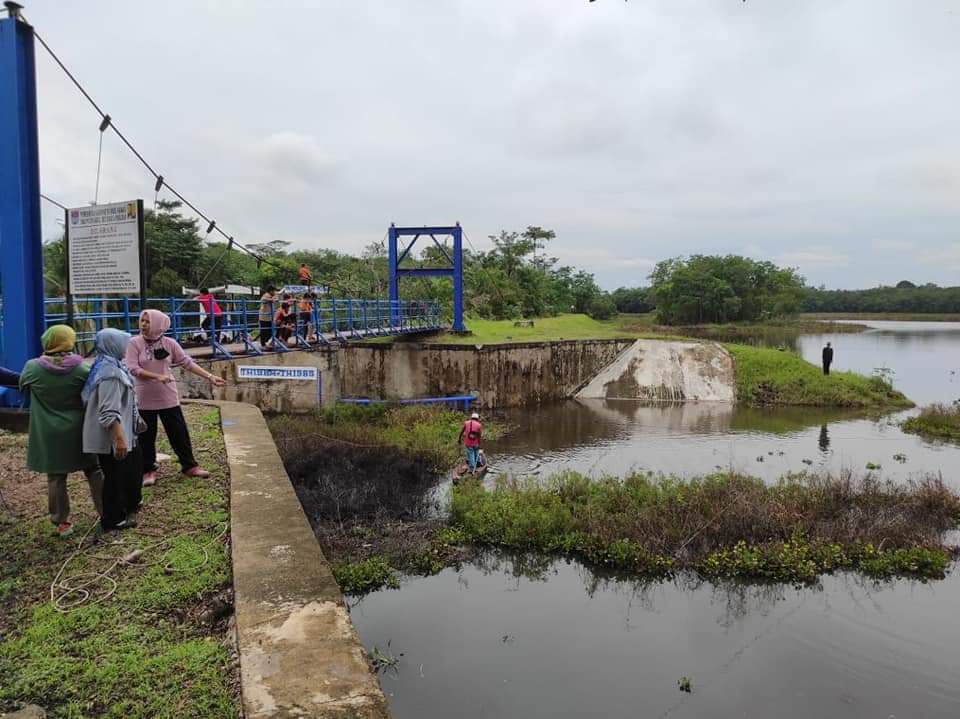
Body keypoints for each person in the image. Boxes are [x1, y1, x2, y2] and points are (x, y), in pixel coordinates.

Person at [19, 325, 104, 538]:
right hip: (80, 429)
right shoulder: (82, 369)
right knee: (94, 470)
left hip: (49, 432)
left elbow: (22, 386)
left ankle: (62, 523)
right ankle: (106, 513)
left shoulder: (32, 368)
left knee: (56, 477)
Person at [126, 310, 226, 487]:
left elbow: (186, 362)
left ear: (158, 324)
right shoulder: (134, 343)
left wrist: (210, 377)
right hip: (143, 398)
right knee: (146, 436)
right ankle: (148, 470)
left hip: (168, 397)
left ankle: (189, 466)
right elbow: (133, 369)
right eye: (141, 320)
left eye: (147, 321)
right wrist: (157, 377)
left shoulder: (169, 343)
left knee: (178, 432)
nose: (143, 324)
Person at [81, 329, 141, 531]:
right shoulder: (111, 374)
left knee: (120, 474)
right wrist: (119, 439)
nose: (127, 347)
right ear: (113, 345)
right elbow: (108, 411)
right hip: (110, 438)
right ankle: (113, 519)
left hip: (115, 434)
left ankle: (122, 510)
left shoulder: (106, 364)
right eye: (123, 343)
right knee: (114, 477)